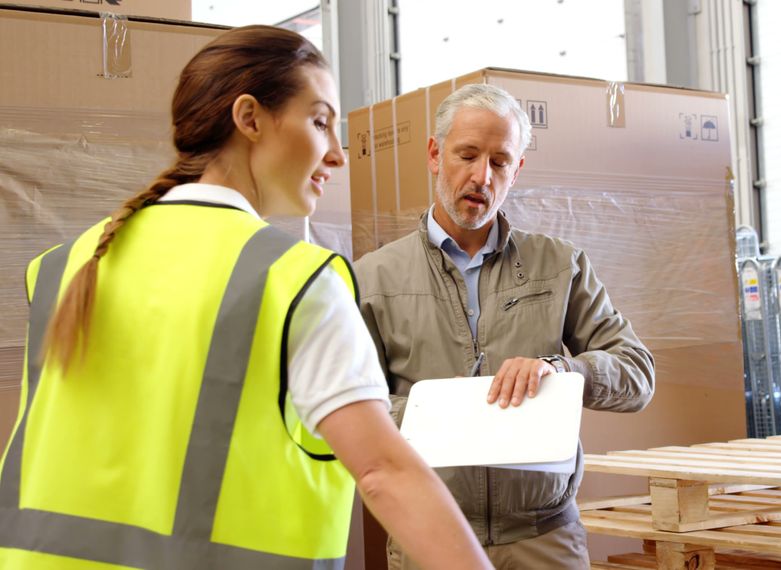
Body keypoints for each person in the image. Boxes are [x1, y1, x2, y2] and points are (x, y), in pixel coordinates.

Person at [0, 26, 491, 570]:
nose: (338, 154)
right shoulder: (293, 279)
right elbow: (383, 473)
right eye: (321, 121)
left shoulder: (64, 266)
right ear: (250, 117)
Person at [355, 83, 656, 569]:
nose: (481, 176)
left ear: (517, 171)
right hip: (427, 533)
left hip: (544, 539)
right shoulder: (372, 278)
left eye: (499, 162)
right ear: (435, 155)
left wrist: (564, 371)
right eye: (467, 155)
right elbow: (354, 405)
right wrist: (436, 411)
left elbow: (637, 375)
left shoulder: (561, 265)